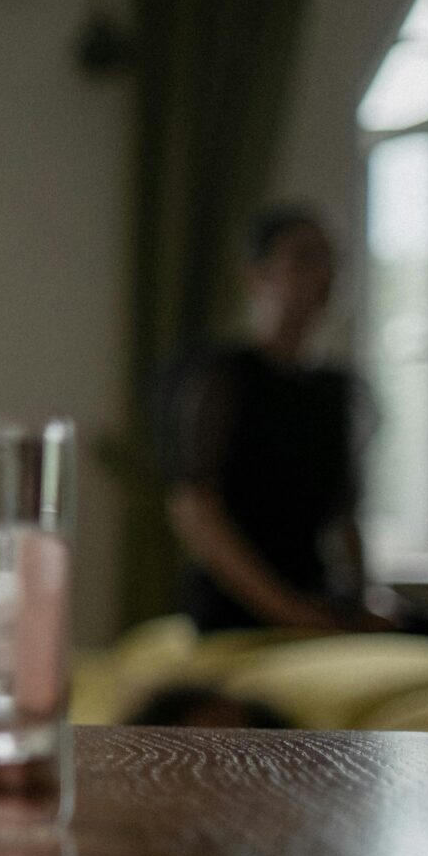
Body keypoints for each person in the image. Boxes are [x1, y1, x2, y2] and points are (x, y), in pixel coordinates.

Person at [162, 205, 388, 634]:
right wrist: (291, 613)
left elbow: (344, 514)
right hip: (236, 608)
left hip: (318, 596)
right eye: (303, 258)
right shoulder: (222, 377)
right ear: (257, 274)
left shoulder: (338, 390)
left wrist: (359, 601)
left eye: (329, 260)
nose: (322, 274)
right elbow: (195, 507)